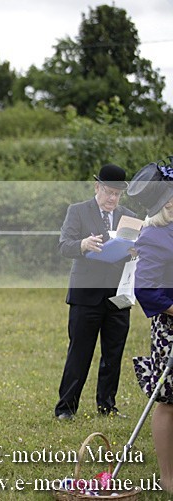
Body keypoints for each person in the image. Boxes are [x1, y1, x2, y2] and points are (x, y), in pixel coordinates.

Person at [54, 164, 137, 420]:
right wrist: (82, 244)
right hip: (86, 296)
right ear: (97, 187)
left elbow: (134, 250)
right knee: (80, 352)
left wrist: (136, 251)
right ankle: (66, 408)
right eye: (109, 192)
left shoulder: (130, 217)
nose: (113, 198)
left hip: (118, 296)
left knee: (113, 354)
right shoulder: (77, 211)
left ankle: (107, 406)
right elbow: (64, 246)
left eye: (117, 194)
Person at [127, 159, 173, 493]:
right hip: (171, 331)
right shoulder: (154, 237)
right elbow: (147, 289)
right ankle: (169, 477)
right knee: (168, 401)